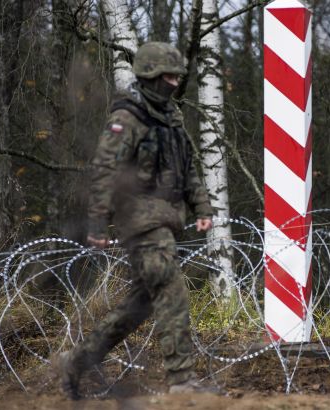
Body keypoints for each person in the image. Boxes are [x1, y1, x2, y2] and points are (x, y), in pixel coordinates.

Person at [53, 42, 215, 399]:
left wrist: (202, 209)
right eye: (168, 76)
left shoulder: (172, 118)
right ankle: (181, 380)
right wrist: (97, 224)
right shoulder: (126, 118)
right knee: (171, 289)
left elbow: (187, 168)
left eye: (177, 76)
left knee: (137, 307)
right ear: (150, 76)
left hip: (167, 218)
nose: (174, 82)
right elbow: (105, 172)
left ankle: (75, 362)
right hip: (140, 222)